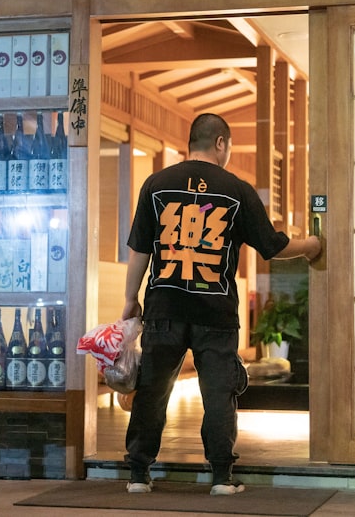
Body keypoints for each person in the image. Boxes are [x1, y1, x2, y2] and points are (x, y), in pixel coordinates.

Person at [120, 113, 322, 496]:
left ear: (191, 142)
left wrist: (131, 300)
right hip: (216, 313)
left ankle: (138, 475)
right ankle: (221, 478)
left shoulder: (156, 185)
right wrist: (311, 247)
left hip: (165, 306)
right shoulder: (236, 190)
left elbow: (139, 252)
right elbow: (272, 246)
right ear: (220, 143)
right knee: (218, 393)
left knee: (153, 390)